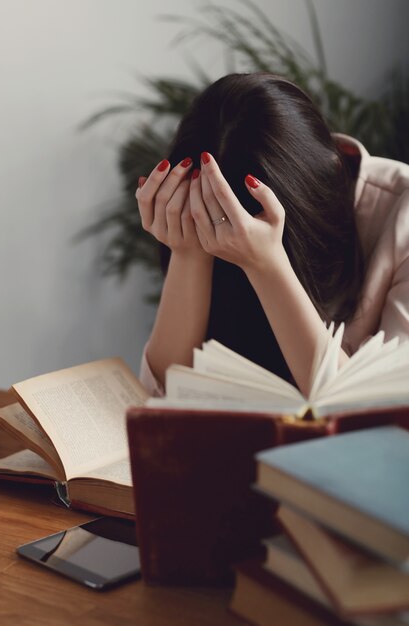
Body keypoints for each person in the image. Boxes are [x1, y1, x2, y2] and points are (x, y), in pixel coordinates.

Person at [135, 72, 409, 398]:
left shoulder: (399, 213)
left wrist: (269, 266)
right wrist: (188, 252)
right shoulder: (204, 222)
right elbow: (161, 399)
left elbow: (376, 414)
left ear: (332, 169)